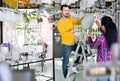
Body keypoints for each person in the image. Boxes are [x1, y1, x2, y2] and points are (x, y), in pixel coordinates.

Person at [86, 16, 118, 81]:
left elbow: (92, 46)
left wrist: (89, 37)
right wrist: (100, 25)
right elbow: (105, 31)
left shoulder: (101, 37)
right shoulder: (116, 36)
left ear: (103, 26)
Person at [57, 4, 83, 78]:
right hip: (66, 45)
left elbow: (78, 22)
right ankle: (66, 77)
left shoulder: (70, 19)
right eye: (65, 10)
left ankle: (75, 65)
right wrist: (73, 31)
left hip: (73, 43)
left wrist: (84, 19)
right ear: (61, 11)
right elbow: (64, 34)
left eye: (68, 10)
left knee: (83, 52)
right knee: (65, 62)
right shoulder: (60, 22)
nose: (67, 12)